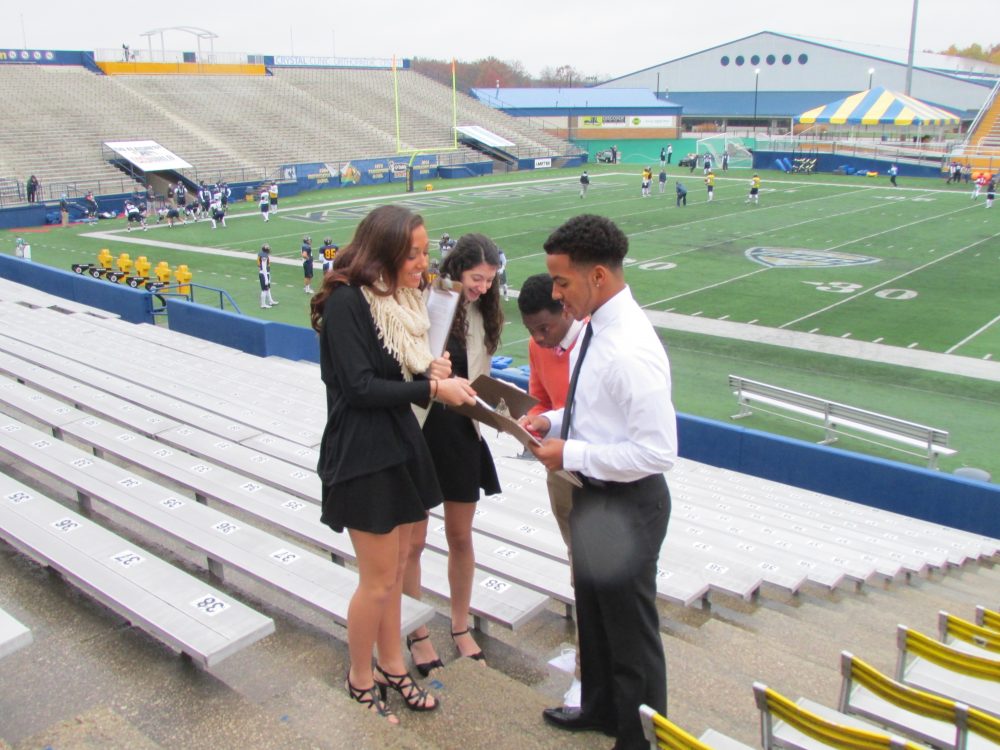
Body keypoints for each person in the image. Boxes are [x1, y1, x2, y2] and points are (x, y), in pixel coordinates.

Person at [309, 204, 476, 725]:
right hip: (363, 453)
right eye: (414, 254)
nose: (423, 264)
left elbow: (398, 369)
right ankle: (361, 677)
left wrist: (430, 368)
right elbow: (359, 388)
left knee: (398, 567)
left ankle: (393, 665)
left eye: (426, 252)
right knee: (379, 579)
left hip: (400, 444)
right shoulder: (346, 304)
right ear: (382, 251)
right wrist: (431, 386)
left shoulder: (400, 298)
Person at [524, 213, 676, 750]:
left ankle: (639, 739)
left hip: (629, 503)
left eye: (561, 281)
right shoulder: (595, 326)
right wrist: (552, 421)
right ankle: (599, 709)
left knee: (630, 630)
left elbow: (657, 450)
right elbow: (593, 408)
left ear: (598, 278)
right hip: (594, 492)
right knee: (592, 610)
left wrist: (572, 451)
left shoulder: (631, 347)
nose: (555, 292)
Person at [404, 233, 504, 676]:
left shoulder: (485, 311)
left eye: (489, 279)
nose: (482, 287)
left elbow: (478, 375)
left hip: (463, 429)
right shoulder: (428, 299)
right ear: (457, 269)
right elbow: (405, 363)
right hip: (422, 427)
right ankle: (417, 630)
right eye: (476, 278)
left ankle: (461, 625)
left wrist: (499, 407)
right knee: (414, 541)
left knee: (461, 538)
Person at [516, 273, 587, 709]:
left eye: (545, 329)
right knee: (576, 561)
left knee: (592, 570)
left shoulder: (593, 343)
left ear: (566, 310)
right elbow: (539, 399)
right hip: (559, 469)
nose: (539, 340)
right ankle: (586, 653)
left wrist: (552, 421)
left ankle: (588, 668)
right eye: (531, 332)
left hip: (595, 467)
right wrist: (534, 422)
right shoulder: (537, 345)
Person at [258, 244, 279, 309]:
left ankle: (270, 301)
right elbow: (264, 267)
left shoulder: (262, 254)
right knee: (264, 290)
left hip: (265, 273)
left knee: (268, 288)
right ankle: (263, 304)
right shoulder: (264, 256)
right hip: (264, 274)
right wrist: (266, 278)